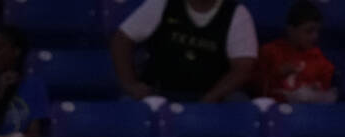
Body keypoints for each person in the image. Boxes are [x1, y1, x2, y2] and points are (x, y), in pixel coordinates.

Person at [110, 0, 258, 103]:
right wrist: (130, 84)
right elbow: (121, 39)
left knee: (239, 102)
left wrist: (210, 99)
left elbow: (242, 68)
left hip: (212, 96)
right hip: (158, 92)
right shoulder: (162, 3)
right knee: (128, 103)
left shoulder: (237, 13)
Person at [255, 1, 335, 105]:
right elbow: (255, 88)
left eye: (317, 31)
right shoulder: (270, 52)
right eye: (309, 31)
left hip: (307, 114)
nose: (315, 36)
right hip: (273, 112)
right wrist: (277, 73)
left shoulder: (321, 62)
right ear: (291, 30)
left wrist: (317, 90)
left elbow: (324, 95)